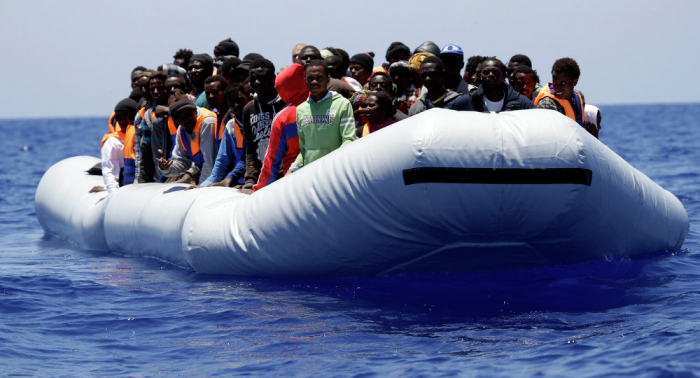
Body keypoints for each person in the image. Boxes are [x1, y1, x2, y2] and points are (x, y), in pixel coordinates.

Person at [290, 60, 356, 172]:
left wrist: (330, 165)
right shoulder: (301, 110)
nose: (314, 82)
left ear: (328, 79)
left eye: (319, 78)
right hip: (309, 174)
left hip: (335, 171)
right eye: (310, 78)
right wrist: (293, 169)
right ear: (305, 80)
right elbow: (304, 149)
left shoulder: (342, 104)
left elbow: (349, 140)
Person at [253, 63, 308, 192]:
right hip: (326, 174)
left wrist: (259, 190)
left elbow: (272, 160)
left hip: (295, 180)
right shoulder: (327, 104)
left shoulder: (283, 117)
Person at [192, 83, 249, 189]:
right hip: (237, 181)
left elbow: (248, 159)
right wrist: (203, 187)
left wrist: (230, 177)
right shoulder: (230, 126)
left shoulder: (257, 122)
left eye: (240, 100)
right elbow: (221, 162)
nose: (236, 105)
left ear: (248, 98)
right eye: (232, 103)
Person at [241, 59, 287, 190]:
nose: (256, 82)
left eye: (262, 78)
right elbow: (250, 148)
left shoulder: (286, 104)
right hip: (263, 177)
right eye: (253, 78)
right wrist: (250, 178)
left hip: (285, 175)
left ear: (273, 78)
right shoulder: (249, 109)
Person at [156, 89, 219, 185]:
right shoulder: (181, 130)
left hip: (219, 176)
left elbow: (209, 164)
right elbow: (182, 162)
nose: (186, 121)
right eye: (180, 119)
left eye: (188, 115)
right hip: (206, 176)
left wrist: (200, 189)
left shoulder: (207, 122)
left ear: (195, 110)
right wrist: (166, 168)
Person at [448, 58, 534, 112]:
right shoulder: (466, 102)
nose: (491, 75)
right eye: (486, 72)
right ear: (480, 76)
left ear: (504, 75)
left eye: (495, 72)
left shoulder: (522, 103)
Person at [91, 98, 138, 194]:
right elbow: (110, 171)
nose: (122, 121)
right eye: (119, 118)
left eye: (125, 117)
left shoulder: (141, 137)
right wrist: (114, 194)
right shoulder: (113, 142)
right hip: (124, 187)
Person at [135, 71, 170, 183]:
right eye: (152, 89)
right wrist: (141, 181)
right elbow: (145, 151)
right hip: (160, 176)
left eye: (160, 88)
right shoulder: (148, 116)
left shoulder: (180, 112)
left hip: (180, 172)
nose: (156, 92)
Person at [534, 57, 586, 126]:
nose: (558, 87)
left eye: (563, 83)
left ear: (575, 82)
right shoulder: (547, 103)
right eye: (555, 82)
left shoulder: (579, 97)